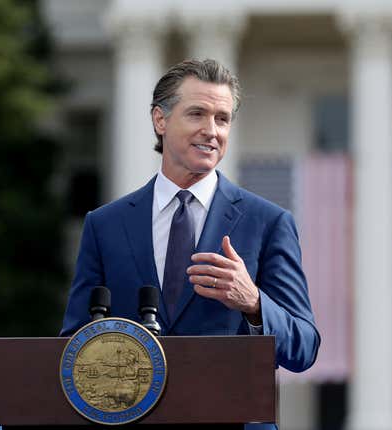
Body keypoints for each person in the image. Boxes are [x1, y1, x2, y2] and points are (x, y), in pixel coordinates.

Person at [60, 59, 320, 428]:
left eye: (223, 118)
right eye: (197, 113)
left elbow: (304, 347)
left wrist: (254, 303)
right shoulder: (105, 225)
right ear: (160, 120)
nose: (211, 130)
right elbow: (74, 341)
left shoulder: (269, 223)